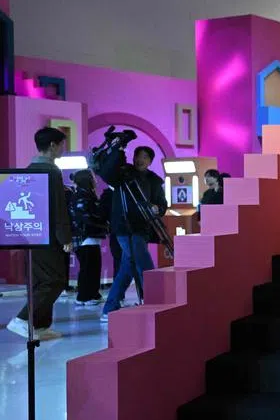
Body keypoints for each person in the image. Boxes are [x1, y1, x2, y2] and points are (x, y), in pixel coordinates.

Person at [6, 127, 73, 340]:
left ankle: (41, 326)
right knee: (56, 280)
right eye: (62, 144)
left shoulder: (29, 169)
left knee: (40, 280)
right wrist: (65, 238)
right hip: (50, 236)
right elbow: (57, 208)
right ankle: (22, 319)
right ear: (53, 146)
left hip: (31, 234)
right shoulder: (52, 172)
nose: (63, 149)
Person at [101, 146, 167, 320]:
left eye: (145, 157)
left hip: (142, 228)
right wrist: (118, 150)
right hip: (123, 227)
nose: (141, 159)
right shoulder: (123, 174)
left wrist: (157, 208)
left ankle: (110, 307)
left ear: (150, 161)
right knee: (145, 265)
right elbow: (106, 173)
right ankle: (155, 302)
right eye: (138, 156)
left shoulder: (155, 180)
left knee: (128, 266)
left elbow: (162, 204)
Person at [69, 169, 108, 305]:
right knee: (89, 267)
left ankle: (92, 294)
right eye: (92, 177)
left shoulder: (85, 194)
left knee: (92, 267)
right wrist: (103, 223)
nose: (95, 180)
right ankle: (85, 296)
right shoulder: (82, 196)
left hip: (89, 237)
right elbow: (86, 217)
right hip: (85, 238)